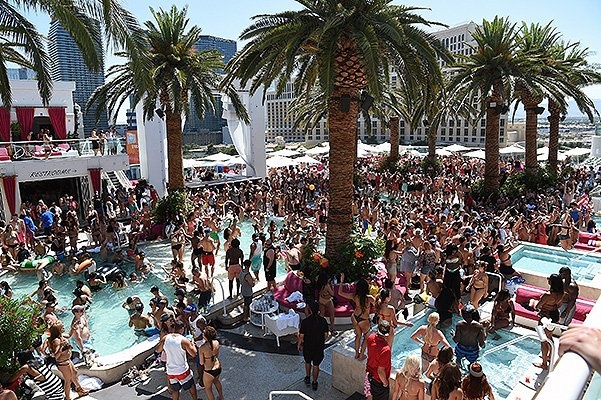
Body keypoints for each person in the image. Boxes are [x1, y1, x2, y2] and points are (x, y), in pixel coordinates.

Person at [155, 320, 199, 400]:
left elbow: (158, 350)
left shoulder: (165, 338)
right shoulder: (184, 340)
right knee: (191, 386)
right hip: (182, 371)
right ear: (182, 328)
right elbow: (194, 354)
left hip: (170, 372)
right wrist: (192, 344)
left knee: (175, 390)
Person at [338, 274, 375, 360]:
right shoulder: (369, 298)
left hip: (355, 317)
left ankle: (356, 354)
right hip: (364, 320)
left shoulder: (354, 296)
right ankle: (361, 355)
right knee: (366, 337)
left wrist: (341, 282)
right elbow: (378, 305)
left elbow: (340, 293)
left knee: (358, 336)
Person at [48, 321, 89, 400]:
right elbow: (56, 356)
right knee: (68, 380)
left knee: (74, 374)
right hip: (63, 363)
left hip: (67, 360)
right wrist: (61, 346)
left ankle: (80, 390)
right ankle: (67, 397)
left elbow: (69, 335)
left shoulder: (61, 336)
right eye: (62, 327)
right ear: (58, 330)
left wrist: (73, 328)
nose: (64, 327)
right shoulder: (57, 341)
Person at [533, 274, 565, 370]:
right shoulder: (562, 294)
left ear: (551, 282)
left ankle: (544, 364)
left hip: (545, 318)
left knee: (543, 341)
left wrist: (534, 303)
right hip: (554, 316)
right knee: (550, 337)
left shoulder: (547, 295)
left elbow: (538, 306)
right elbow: (558, 305)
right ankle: (549, 356)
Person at [298, 301, 329, 391]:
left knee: (307, 362)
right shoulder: (323, 321)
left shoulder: (305, 322)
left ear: (310, 310)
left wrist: (299, 344)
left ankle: (307, 377)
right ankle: (314, 382)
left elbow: (301, 336)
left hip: (308, 346)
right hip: (318, 347)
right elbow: (326, 334)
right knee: (316, 365)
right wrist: (322, 341)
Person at [364, 320, 392, 400]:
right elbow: (380, 371)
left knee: (369, 397)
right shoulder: (385, 350)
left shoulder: (370, 338)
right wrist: (385, 383)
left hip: (369, 375)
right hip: (379, 381)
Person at [198, 326, 224, 400]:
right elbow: (216, 355)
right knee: (216, 381)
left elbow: (201, 363)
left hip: (208, 371)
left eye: (203, 333)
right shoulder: (217, 342)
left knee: (208, 389)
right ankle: (221, 397)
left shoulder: (202, 348)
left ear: (206, 337)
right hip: (218, 367)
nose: (202, 334)